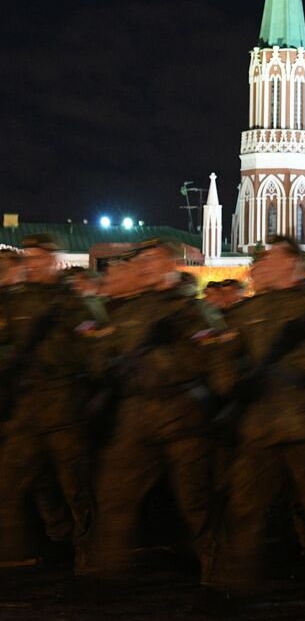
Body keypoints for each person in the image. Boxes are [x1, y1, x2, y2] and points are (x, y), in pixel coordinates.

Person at [206, 236, 305, 616]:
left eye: (271, 259)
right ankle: (237, 588)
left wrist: (295, 361)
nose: (260, 266)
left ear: (293, 265)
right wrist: (233, 381)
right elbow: (222, 360)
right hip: (260, 426)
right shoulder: (248, 311)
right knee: (245, 508)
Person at [90, 240, 224, 582]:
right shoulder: (130, 310)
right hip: (137, 412)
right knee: (115, 491)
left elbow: (214, 357)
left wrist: (172, 354)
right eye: (140, 260)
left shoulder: (191, 310)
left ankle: (217, 577)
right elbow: (104, 353)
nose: (144, 266)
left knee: (195, 501)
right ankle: (108, 573)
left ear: (169, 264)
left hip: (181, 411)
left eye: (151, 259)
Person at [0, 233, 102, 573]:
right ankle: (51, 541)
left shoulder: (71, 302)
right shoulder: (14, 300)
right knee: (11, 478)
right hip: (29, 407)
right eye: (27, 258)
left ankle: (88, 564)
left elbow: (94, 351)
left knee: (77, 490)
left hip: (64, 406)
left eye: (38, 258)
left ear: (52, 260)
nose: (31, 264)